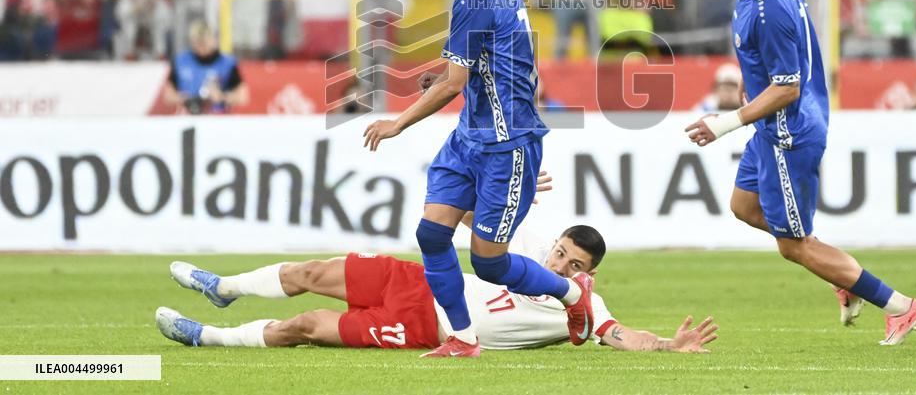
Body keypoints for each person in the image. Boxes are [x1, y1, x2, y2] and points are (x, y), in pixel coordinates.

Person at [361, 0, 589, 359]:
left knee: (488, 263)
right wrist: (450, 76)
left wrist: (397, 123)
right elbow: (488, 58)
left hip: (506, 143)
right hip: (470, 136)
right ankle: (463, 338)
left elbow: (454, 83)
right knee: (432, 235)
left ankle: (571, 293)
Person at [684, 0, 916, 346]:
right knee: (744, 206)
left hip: (789, 133)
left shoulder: (770, 11)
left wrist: (724, 123)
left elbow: (788, 87)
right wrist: (750, 82)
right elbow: (770, 61)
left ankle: (900, 306)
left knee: (793, 246)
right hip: (770, 126)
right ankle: (841, 275)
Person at [155, 218, 718, 353]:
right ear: (554, 244)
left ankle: (205, 337)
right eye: (561, 253)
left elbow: (620, 336)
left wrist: (666, 345)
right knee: (311, 273)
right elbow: (467, 215)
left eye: (574, 264)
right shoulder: (524, 246)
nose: (562, 265)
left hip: (427, 323)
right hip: (421, 280)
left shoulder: (585, 305)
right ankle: (224, 286)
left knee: (305, 326)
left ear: (588, 272)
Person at [163, 21, 248, 114]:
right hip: (188, 115)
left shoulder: (227, 63)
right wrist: (184, 99)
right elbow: (168, 96)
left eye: (204, 43)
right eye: (197, 42)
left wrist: (221, 97)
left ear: (213, 40)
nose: (201, 47)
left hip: (217, 116)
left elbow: (242, 96)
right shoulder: (181, 61)